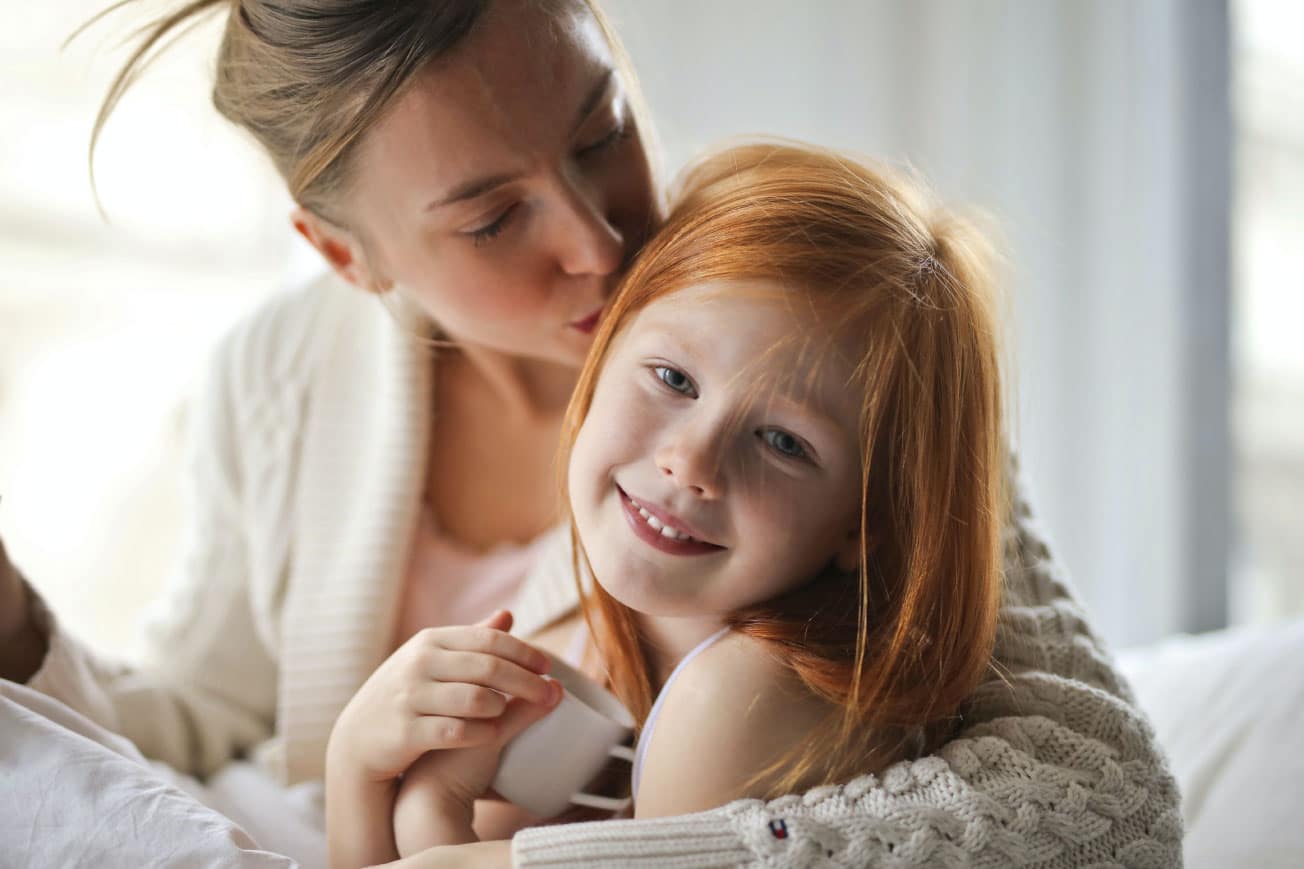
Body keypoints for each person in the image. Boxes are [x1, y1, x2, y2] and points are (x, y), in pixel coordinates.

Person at [0, 0, 1181, 866]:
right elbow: (200, 724)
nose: (601, 241)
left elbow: (1104, 792)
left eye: (600, 128)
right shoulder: (280, 375)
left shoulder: (805, 320)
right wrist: (17, 634)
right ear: (344, 254)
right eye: (492, 216)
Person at [329, 140, 1011, 865]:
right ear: (601, 354)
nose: (690, 463)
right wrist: (360, 768)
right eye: (673, 378)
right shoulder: (596, 641)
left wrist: (420, 802)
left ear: (864, 522)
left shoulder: (745, 700)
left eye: (784, 441)